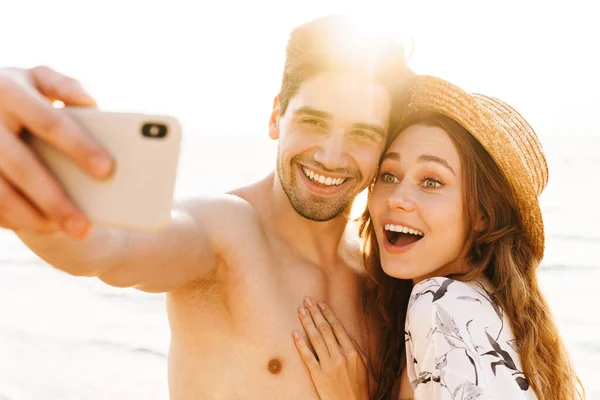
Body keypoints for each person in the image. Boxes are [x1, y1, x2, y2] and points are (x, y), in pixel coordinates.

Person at [0, 15, 413, 399]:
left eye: (362, 133)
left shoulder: (384, 275)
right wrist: (34, 199)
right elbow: (111, 250)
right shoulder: (226, 232)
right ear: (276, 118)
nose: (331, 155)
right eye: (313, 121)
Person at [291, 75, 585, 400]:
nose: (396, 198)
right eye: (389, 176)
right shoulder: (501, 314)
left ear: (483, 217)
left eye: (431, 182)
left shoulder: (440, 303)